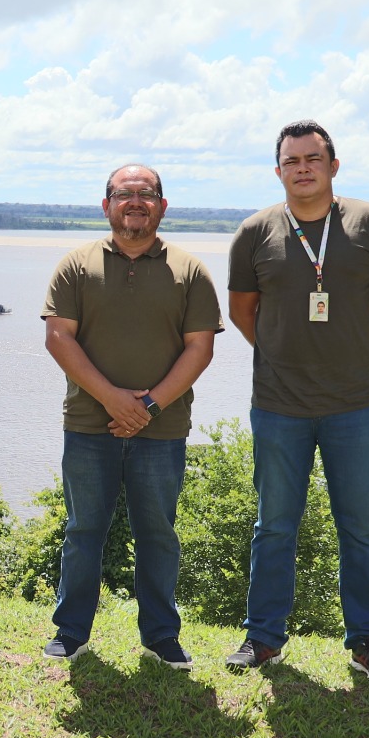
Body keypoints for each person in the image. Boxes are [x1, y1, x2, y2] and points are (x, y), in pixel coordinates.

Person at [224, 119, 369, 683]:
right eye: (291, 160)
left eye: (313, 158)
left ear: (334, 165)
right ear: (278, 170)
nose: (302, 168)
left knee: (359, 526)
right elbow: (242, 311)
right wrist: (281, 357)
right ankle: (262, 639)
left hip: (355, 405)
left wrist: (364, 358)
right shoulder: (255, 231)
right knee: (274, 525)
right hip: (278, 406)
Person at [40, 165, 221, 667]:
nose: (135, 201)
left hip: (161, 431)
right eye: (125, 194)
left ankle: (162, 635)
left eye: (147, 194)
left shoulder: (190, 271)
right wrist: (114, 400)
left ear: (163, 205)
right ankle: (71, 632)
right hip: (87, 426)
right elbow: (59, 338)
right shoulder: (76, 265)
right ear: (106, 205)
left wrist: (147, 406)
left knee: (158, 534)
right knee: (83, 533)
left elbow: (199, 350)